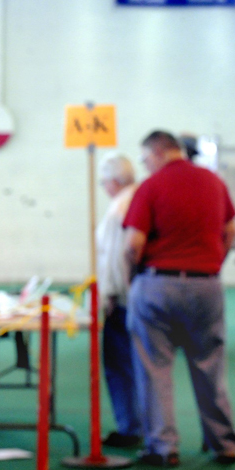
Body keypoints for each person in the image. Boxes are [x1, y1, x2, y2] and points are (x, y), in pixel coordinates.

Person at [123, 130, 235, 466]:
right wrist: (214, 263)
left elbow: (133, 244)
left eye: (145, 159)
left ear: (157, 153)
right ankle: (223, 443)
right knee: (210, 364)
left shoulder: (152, 186)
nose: (146, 166)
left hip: (158, 283)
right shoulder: (213, 182)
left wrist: (134, 278)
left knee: (155, 367)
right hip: (207, 285)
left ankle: (163, 446)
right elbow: (230, 230)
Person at [95, 152, 143, 448]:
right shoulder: (141, 197)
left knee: (119, 364)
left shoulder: (118, 209)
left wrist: (109, 294)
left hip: (123, 299)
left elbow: (115, 259)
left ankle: (129, 426)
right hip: (141, 294)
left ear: (112, 181)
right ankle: (143, 425)